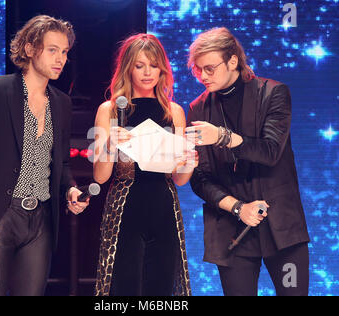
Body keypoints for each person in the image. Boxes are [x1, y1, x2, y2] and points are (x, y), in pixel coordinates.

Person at [0, 15, 89, 296]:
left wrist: (71, 190)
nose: (60, 58)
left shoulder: (61, 103)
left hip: (40, 221)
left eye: (64, 52)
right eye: (52, 50)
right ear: (29, 49)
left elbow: (60, 163)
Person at [185, 27, 310, 296]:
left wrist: (222, 136)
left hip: (281, 227)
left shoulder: (273, 93)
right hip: (231, 228)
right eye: (197, 70)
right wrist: (238, 208)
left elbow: (270, 151)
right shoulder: (198, 108)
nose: (203, 77)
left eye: (209, 68)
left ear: (232, 61)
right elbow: (200, 179)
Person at [93, 34, 197, 296]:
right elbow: (101, 177)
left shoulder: (174, 112)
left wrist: (190, 161)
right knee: (124, 287)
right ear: (128, 68)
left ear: (162, 68)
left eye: (153, 65)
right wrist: (108, 146)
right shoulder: (110, 110)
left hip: (164, 206)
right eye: (140, 66)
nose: (147, 72)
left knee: (161, 288)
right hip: (126, 205)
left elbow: (180, 178)